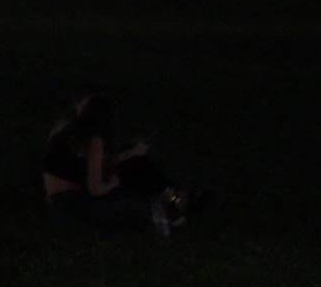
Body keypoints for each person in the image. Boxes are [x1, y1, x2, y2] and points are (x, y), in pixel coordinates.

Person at [40, 93, 201, 233]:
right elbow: (96, 189)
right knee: (132, 195)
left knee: (134, 164)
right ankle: (171, 204)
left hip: (64, 204)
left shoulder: (70, 131)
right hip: (73, 207)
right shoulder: (92, 139)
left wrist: (130, 152)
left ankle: (173, 200)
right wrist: (114, 182)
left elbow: (92, 166)